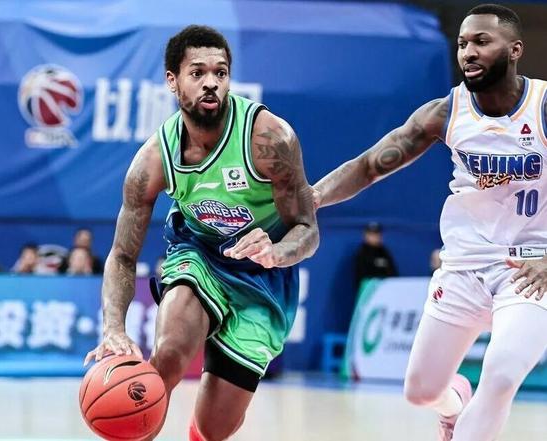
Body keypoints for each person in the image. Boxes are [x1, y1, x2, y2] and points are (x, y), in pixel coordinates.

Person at [313, 5, 547, 440]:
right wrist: (314, 197)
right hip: (464, 266)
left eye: (482, 42)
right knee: (421, 392)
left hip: (529, 267)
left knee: (501, 373)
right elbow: (369, 165)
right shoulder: (446, 112)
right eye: (462, 44)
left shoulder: (542, 107)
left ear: (515, 50)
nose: (468, 52)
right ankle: (454, 402)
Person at [84, 25, 318, 441]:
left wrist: (277, 251)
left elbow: (307, 230)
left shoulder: (269, 139)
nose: (211, 82)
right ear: (172, 81)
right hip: (200, 255)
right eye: (198, 72)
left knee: (213, 428)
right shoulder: (154, 159)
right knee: (167, 358)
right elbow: (121, 255)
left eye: (220, 72)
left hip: (264, 275)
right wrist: (113, 328)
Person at [353, 221, 398, 289]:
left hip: (386, 289)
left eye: (377, 234)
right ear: (365, 235)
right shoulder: (361, 253)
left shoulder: (384, 252)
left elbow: (393, 272)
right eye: (371, 234)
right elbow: (360, 277)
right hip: (369, 290)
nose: (375, 237)